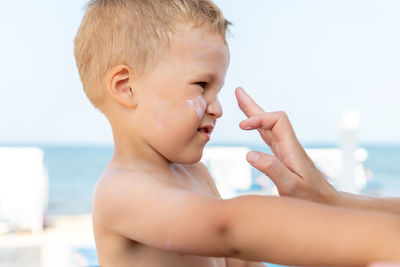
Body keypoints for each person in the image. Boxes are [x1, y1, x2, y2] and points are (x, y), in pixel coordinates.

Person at [73, 0, 400, 266]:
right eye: (202, 85)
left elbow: (238, 258)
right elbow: (229, 228)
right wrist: (385, 239)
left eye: (218, 89)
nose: (217, 108)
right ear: (127, 88)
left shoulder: (196, 174)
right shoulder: (120, 191)